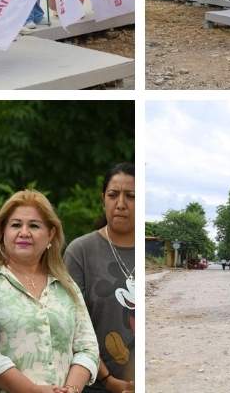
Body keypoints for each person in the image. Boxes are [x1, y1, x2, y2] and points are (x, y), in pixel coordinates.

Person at [0, 190, 99, 393]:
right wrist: (33, 390)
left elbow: (87, 347)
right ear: (3, 231)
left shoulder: (65, 284)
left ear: (51, 234)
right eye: (16, 225)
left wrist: (71, 389)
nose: (24, 232)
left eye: (34, 226)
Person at [65, 164, 135, 393]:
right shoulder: (80, 252)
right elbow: (71, 325)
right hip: (95, 384)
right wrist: (108, 380)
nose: (121, 204)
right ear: (103, 198)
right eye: (113, 195)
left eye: (131, 196)